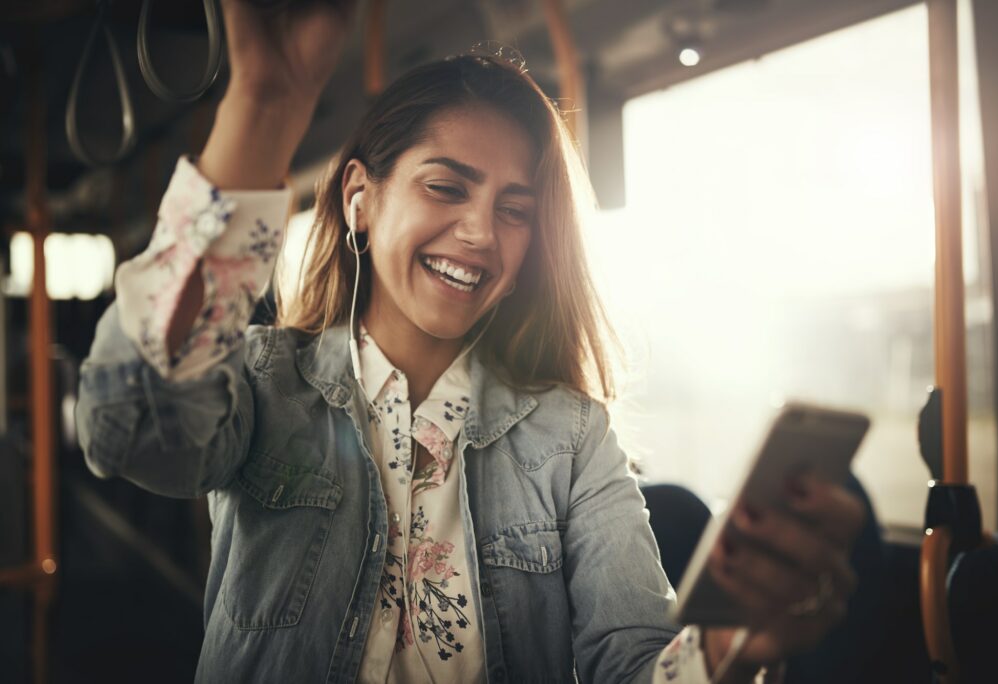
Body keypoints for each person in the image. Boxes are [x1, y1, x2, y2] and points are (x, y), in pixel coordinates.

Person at [75, 1, 866, 682]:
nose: (482, 233)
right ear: (360, 200)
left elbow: (633, 663)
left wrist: (738, 644)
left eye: (515, 209)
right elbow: (133, 428)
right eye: (445, 187)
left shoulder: (572, 437)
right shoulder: (260, 382)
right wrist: (265, 106)